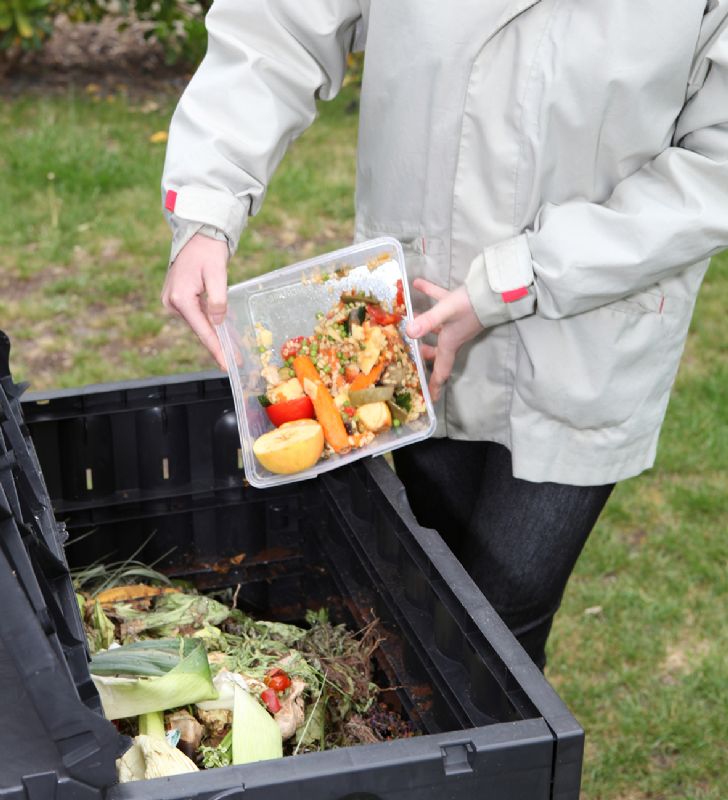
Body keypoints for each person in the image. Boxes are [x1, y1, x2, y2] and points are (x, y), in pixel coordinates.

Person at [160, 1, 728, 668]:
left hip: (588, 323)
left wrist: (523, 277)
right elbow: (278, 25)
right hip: (421, 315)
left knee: (502, 620)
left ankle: (484, 763)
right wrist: (206, 204)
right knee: (431, 588)